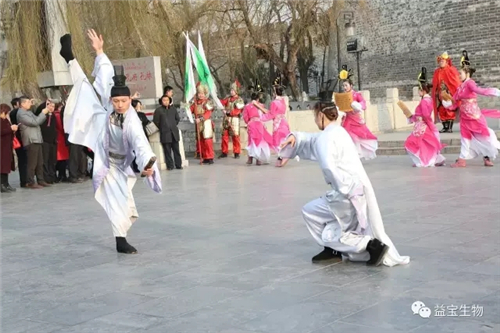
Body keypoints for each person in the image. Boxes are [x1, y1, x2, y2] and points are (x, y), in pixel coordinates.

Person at [60, 29, 161, 254]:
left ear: (130, 100)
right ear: (112, 99)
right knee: (84, 90)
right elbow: (106, 76)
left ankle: (121, 236)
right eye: (115, 100)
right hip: (106, 156)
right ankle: (70, 59)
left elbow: (140, 143)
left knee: (123, 200)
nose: (119, 104)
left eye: (123, 101)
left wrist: (147, 165)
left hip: (123, 162)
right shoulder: (109, 106)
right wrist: (99, 51)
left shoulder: (132, 120)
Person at [279, 101, 410, 267]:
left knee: (309, 212)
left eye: (315, 117)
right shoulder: (339, 131)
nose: (315, 121)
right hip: (357, 190)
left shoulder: (326, 137)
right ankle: (336, 249)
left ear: (320, 115)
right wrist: (296, 137)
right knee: (335, 224)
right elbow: (313, 139)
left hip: (345, 194)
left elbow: (328, 166)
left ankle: (368, 245)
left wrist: (342, 188)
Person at [442, 53, 500, 168]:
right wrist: (447, 103)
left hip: (475, 117)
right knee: (465, 139)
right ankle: (462, 160)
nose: (459, 75)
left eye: (461, 73)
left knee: (486, 138)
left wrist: (494, 92)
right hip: (465, 118)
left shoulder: (470, 83)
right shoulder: (460, 87)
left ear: (467, 73)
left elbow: (480, 91)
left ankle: (486, 156)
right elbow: (455, 102)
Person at [402, 70, 446, 167]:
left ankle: (423, 161)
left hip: (421, 126)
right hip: (422, 124)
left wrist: (430, 125)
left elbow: (425, 115)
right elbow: (423, 115)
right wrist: (411, 116)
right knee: (422, 144)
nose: (418, 92)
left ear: (422, 90)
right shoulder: (429, 100)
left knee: (411, 143)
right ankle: (424, 160)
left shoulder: (424, 102)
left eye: (419, 90)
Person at [336, 75, 378, 161]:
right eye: (343, 86)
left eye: (346, 85)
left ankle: (358, 152)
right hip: (346, 119)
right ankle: (349, 153)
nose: (344, 87)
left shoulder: (356, 94)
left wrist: (357, 106)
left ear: (351, 86)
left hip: (355, 118)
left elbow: (363, 104)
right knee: (347, 136)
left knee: (357, 136)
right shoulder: (343, 96)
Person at [253, 77, 291, 167]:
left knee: (277, 142)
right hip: (284, 122)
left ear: (274, 92)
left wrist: (261, 117)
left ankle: (283, 157)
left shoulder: (274, 102)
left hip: (277, 124)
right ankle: (281, 158)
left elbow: (271, 115)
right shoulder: (282, 101)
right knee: (283, 140)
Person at [17, 96, 51, 189]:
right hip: (30, 140)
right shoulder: (21, 114)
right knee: (32, 163)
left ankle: (41, 180)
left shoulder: (28, 112)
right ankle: (30, 182)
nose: (29, 104)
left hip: (37, 139)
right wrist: (43, 113)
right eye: (27, 102)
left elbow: (37, 119)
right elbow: (35, 122)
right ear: (22, 104)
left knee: (40, 162)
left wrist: (41, 111)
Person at [242, 88, 274, 165]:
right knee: (259, 142)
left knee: (252, 142)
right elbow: (264, 115)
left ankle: (250, 159)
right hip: (259, 124)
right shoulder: (260, 106)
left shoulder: (247, 106)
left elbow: (245, 117)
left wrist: (248, 122)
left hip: (252, 124)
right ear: (258, 99)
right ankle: (258, 159)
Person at [432, 51, 461, 133]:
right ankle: (445, 127)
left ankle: (450, 128)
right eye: (440, 61)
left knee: (449, 110)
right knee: (441, 110)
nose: (441, 62)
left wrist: (451, 91)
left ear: (446, 61)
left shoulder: (451, 70)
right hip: (440, 94)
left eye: (443, 61)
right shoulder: (437, 71)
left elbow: (455, 82)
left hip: (449, 93)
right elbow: (435, 83)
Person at [153, 95, 182, 170]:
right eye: (164, 100)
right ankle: (170, 166)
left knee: (176, 150)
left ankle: (178, 165)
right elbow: (156, 121)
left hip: (174, 133)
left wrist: (172, 125)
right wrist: (163, 127)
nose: (166, 101)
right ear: (161, 101)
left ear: (169, 101)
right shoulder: (158, 110)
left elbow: (177, 119)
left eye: (167, 100)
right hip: (165, 133)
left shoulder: (173, 109)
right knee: (167, 151)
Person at [190, 83, 215, 164]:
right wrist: (189, 104)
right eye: (199, 93)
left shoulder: (208, 102)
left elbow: (208, 113)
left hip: (206, 122)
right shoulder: (195, 103)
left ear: (205, 94)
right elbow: (190, 110)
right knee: (201, 141)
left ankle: (210, 157)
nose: (200, 95)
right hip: (198, 124)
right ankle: (204, 157)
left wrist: (200, 118)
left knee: (207, 141)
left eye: (202, 93)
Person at [219, 80, 244, 159]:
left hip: (234, 119)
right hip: (226, 119)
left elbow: (238, 110)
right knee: (224, 135)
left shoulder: (239, 100)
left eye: (233, 90)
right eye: (231, 90)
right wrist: (218, 102)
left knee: (235, 136)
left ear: (236, 91)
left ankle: (236, 152)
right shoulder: (228, 99)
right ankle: (224, 151)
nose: (231, 92)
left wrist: (229, 112)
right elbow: (222, 102)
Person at [35, 100, 58, 184]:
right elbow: (38, 111)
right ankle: (46, 177)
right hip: (45, 140)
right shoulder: (42, 115)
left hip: (53, 140)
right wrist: (45, 103)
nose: (51, 108)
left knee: (52, 159)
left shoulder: (53, 116)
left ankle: (52, 176)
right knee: (45, 159)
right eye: (49, 106)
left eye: (53, 106)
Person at [9, 97, 28, 188]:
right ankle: (24, 181)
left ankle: (26, 179)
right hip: (19, 140)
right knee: (23, 161)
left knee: (25, 160)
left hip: (22, 139)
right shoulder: (15, 112)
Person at [0, 104, 17, 193]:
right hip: (2, 146)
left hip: (7, 145)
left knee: (6, 165)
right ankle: (2, 184)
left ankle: (6, 183)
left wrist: (13, 130)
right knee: (2, 166)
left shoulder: (5, 120)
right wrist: (10, 129)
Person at [53, 102, 69, 182]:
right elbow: (61, 127)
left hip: (57, 138)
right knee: (63, 158)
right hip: (61, 139)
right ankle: (62, 175)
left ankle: (60, 175)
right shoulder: (58, 115)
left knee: (59, 159)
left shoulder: (53, 115)